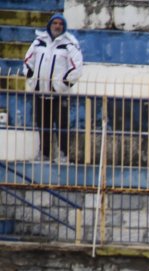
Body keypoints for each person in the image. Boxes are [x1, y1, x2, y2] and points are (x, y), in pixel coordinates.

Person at [22, 13, 83, 161]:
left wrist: (61, 86)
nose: (57, 26)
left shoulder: (69, 44)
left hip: (59, 94)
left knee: (61, 125)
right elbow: (27, 62)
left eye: (60, 24)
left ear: (64, 26)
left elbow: (77, 68)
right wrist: (32, 81)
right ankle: (44, 153)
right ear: (49, 25)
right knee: (43, 124)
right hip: (40, 91)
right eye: (54, 23)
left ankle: (63, 154)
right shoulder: (38, 42)